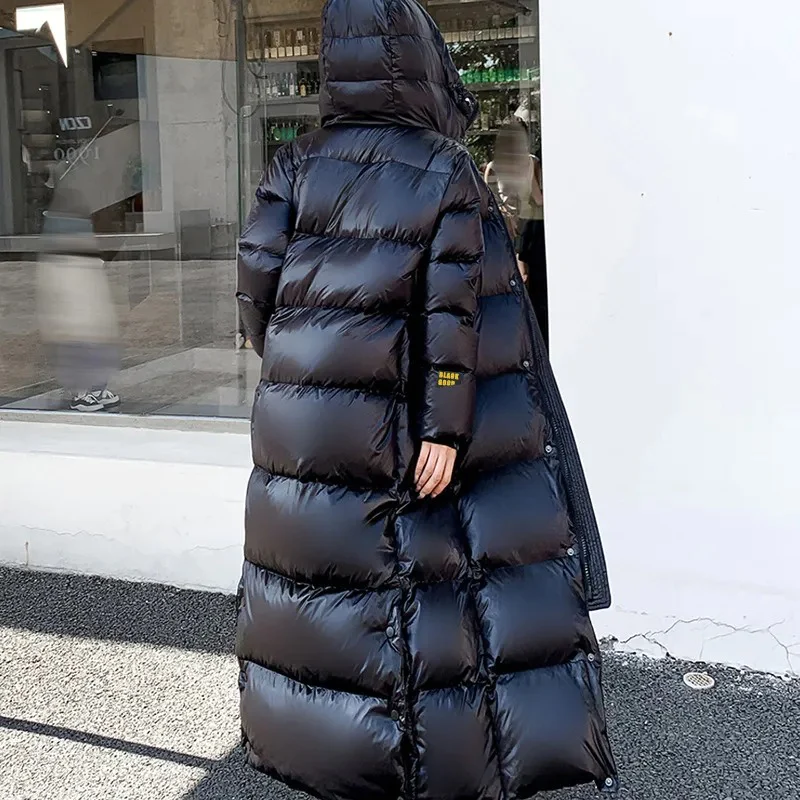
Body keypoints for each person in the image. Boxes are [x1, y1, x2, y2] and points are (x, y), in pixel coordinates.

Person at [235, 0, 617, 798]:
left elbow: (253, 289)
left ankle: (329, 759)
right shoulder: (440, 163)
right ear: (417, 58)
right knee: (417, 591)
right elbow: (454, 316)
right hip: (404, 420)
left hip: (304, 416)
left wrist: (302, 360)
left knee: (326, 585)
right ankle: (416, 765)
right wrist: (446, 427)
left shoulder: (295, 162)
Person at [484, 120, 549, 349]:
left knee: (523, 283)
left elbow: (538, 199)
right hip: (505, 229)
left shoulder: (531, 163)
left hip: (524, 231)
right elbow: (486, 202)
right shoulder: (494, 166)